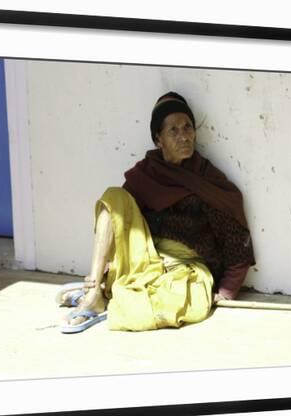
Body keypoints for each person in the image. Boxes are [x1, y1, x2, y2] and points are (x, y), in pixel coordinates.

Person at [57, 91, 255, 333]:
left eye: (188, 127)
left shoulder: (206, 178)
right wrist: (110, 267)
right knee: (113, 198)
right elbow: (121, 224)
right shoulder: (146, 175)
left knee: (159, 309)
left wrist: (226, 292)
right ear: (158, 139)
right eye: (173, 130)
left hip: (185, 269)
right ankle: (94, 290)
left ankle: (110, 297)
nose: (184, 136)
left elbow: (235, 238)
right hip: (146, 259)